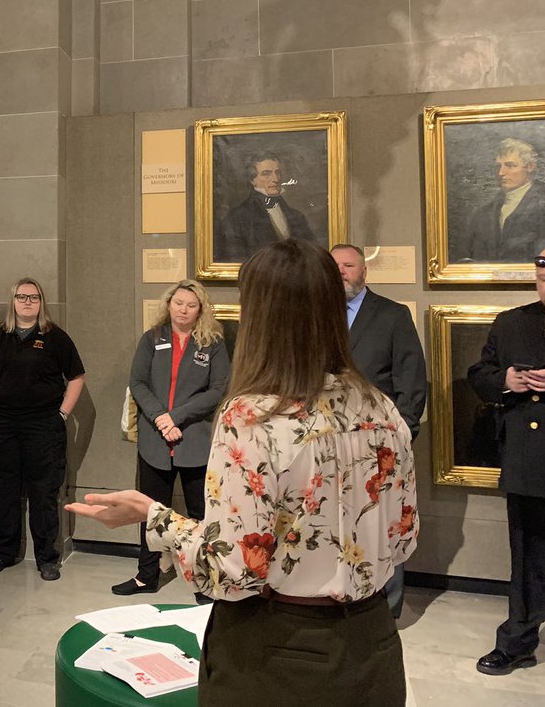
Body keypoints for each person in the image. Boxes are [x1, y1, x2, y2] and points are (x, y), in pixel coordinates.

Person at [68, 239, 418, 707]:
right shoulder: (382, 408)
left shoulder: (253, 418)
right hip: (373, 645)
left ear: (263, 318)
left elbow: (231, 572)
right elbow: (403, 537)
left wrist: (154, 516)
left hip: (279, 656)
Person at [113, 279, 228, 596]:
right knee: (150, 512)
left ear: (200, 309)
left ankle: (204, 583)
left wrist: (175, 418)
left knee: (200, 516)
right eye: (178, 303)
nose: (184, 309)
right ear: (169, 304)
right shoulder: (152, 339)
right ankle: (145, 577)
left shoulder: (213, 343)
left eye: (191, 305)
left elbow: (218, 390)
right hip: (155, 442)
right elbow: (138, 383)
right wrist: (161, 419)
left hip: (194, 441)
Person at [332, 243, 427, 618]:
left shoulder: (392, 315)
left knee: (385, 522)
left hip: (380, 444)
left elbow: (412, 380)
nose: (341, 271)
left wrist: (401, 436)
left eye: (348, 265)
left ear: (363, 271)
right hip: (328, 446)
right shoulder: (316, 317)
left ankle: (386, 610)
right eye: (333, 266)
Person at [466, 247, 545, 675]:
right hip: (531, 459)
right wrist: (507, 381)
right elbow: (480, 374)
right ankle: (518, 642)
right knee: (528, 556)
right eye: (542, 277)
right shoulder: (513, 321)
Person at [0, 277, 85, 582]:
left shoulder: (55, 337)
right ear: (13, 301)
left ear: (41, 302)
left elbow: (76, 378)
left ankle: (47, 557)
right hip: (1, 425)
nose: (27, 302)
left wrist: (62, 414)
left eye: (34, 297)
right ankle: (3, 552)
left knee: (44, 492)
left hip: (43, 426)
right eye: (22, 297)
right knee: (3, 489)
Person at [216, 151, 316, 262]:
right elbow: (236, 261)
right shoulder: (235, 219)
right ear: (252, 180)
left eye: (277, 173)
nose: (276, 179)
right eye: (266, 173)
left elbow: (312, 255)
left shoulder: (297, 216)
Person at [459, 138, 545, 262]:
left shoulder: (544, 205)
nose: (501, 172)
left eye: (510, 166)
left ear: (530, 167)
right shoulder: (482, 214)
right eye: (498, 166)